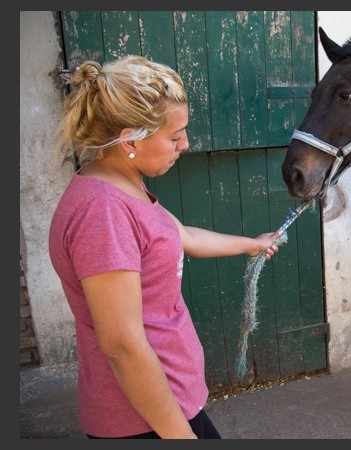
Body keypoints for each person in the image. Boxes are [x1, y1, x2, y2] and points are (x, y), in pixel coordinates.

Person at [48, 55, 281, 439]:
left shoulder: (125, 186)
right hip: (144, 420)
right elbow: (122, 344)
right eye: (174, 136)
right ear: (130, 140)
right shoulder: (102, 212)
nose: (185, 144)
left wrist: (250, 244)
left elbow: (181, 235)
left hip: (171, 404)